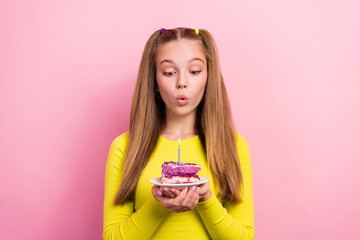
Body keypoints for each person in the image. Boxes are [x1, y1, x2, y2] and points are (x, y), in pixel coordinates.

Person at [103, 27, 254, 240]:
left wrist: (206, 200)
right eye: (169, 72)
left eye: (194, 71)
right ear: (154, 80)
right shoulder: (125, 147)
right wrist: (157, 205)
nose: (182, 82)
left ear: (208, 76)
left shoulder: (234, 146)